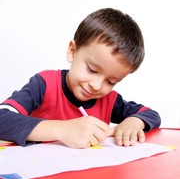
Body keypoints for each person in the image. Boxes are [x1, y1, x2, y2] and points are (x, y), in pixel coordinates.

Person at [0, 8, 161, 148]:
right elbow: (2, 118)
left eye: (111, 82)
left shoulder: (109, 100)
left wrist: (134, 122)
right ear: (72, 51)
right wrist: (62, 130)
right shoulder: (44, 84)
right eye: (92, 69)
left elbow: (151, 114)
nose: (97, 86)